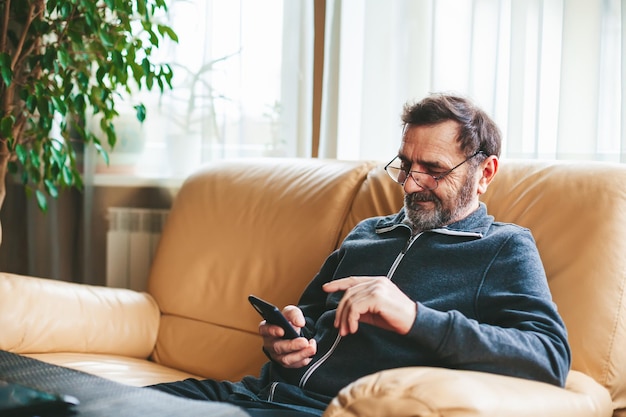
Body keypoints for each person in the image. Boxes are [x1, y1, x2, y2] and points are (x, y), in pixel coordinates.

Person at [150, 93, 571, 416]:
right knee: (93, 398)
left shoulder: (504, 248)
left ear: (485, 173)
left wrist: (413, 317)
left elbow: (549, 357)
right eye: (405, 166)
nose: (408, 185)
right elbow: (311, 316)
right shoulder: (369, 232)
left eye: (434, 170)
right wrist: (287, 340)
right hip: (253, 394)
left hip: (323, 410)